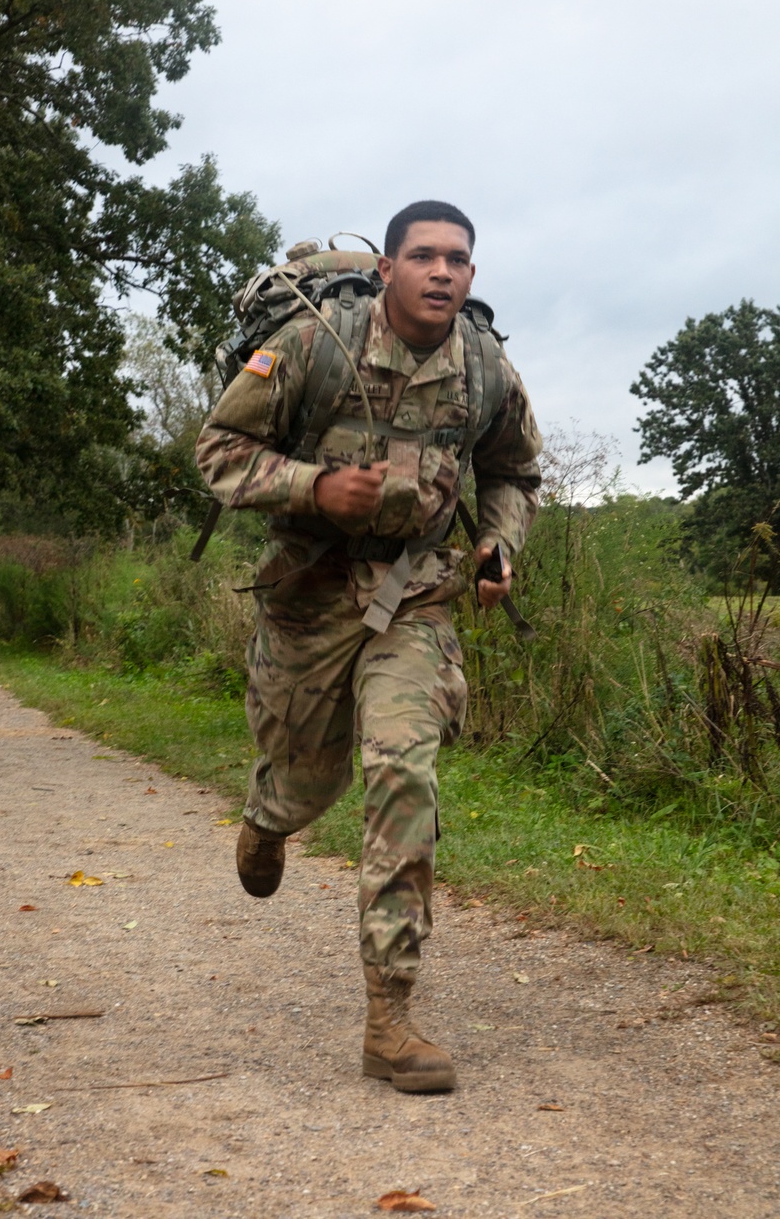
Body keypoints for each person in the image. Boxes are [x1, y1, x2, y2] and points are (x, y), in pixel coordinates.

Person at [194, 200, 541, 1094]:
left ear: (471, 275)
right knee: (306, 775)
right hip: (309, 598)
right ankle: (270, 818)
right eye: (422, 256)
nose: (441, 273)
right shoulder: (314, 348)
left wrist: (499, 545)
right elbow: (219, 451)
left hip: (414, 596)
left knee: (402, 770)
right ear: (386, 270)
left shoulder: (485, 367)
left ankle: (390, 1014)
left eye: (457, 260)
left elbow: (512, 472)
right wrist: (314, 488)